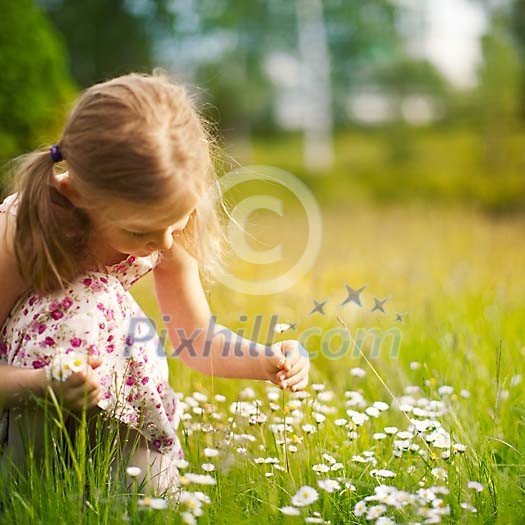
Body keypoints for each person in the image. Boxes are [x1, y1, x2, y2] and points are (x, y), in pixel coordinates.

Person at [0, 71, 310, 494]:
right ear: (77, 195)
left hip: (105, 402)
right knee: (91, 299)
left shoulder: (159, 224)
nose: (161, 243)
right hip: (23, 401)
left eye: (175, 222)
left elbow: (195, 339)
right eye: (139, 230)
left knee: (156, 498)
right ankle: (24, 483)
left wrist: (266, 360)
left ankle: (115, 461)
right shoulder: (23, 230)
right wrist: (43, 385)